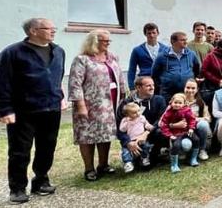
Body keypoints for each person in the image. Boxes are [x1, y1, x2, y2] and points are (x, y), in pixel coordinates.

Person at [0, 18, 65, 204]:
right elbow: (2, 82)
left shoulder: (58, 51)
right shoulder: (12, 53)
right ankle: (17, 188)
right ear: (33, 31)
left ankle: (41, 181)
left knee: (47, 148)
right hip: (23, 111)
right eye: (48, 28)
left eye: (54, 28)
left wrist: (60, 97)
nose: (53, 31)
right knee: (20, 151)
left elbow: (58, 77)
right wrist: (5, 110)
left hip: (51, 108)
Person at [68, 29, 126, 182]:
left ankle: (103, 164)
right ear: (94, 41)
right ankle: (89, 168)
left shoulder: (112, 57)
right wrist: (80, 105)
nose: (108, 43)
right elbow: (75, 84)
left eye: (108, 40)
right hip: (90, 103)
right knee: (87, 136)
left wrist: (123, 96)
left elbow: (120, 77)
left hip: (110, 102)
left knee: (105, 134)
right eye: (104, 40)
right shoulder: (82, 59)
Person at [115, 76, 167, 172]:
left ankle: (154, 155)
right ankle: (131, 158)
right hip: (132, 137)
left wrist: (146, 133)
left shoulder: (159, 100)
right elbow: (119, 128)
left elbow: (161, 120)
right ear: (138, 87)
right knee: (133, 156)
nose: (152, 88)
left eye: (153, 85)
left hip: (151, 134)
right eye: (148, 86)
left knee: (161, 132)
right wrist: (128, 142)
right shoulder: (126, 103)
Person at [151, 32, 201, 101]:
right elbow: (154, 74)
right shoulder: (162, 56)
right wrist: (162, 85)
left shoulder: (191, 54)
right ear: (173, 41)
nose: (186, 42)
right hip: (167, 93)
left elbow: (197, 69)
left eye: (186, 40)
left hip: (186, 92)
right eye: (182, 40)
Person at [159, 93, 199, 173]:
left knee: (196, 139)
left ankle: (193, 159)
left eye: (180, 103)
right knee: (176, 145)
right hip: (176, 134)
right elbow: (164, 125)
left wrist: (191, 128)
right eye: (175, 102)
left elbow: (192, 119)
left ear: (184, 104)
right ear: (171, 102)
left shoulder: (187, 110)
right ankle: (174, 165)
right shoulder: (168, 113)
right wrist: (169, 135)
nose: (177, 105)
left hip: (186, 131)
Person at [127, 22, 169, 90]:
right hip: (145, 84)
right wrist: (131, 87)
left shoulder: (166, 49)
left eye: (154, 33)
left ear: (158, 33)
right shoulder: (137, 50)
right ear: (145, 34)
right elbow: (132, 70)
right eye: (149, 33)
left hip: (162, 83)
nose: (151, 35)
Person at [118, 102, 154, 170]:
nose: (137, 113)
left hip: (141, 138)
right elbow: (122, 130)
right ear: (127, 114)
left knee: (145, 147)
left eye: (138, 111)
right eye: (134, 113)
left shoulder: (141, 118)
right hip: (131, 139)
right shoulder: (125, 120)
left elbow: (146, 123)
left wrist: (149, 126)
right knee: (126, 151)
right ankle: (128, 163)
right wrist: (126, 122)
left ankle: (144, 158)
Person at [183, 79, 211, 161]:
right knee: (186, 146)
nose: (190, 90)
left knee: (204, 124)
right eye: (188, 87)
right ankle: (184, 151)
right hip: (183, 131)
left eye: (193, 88)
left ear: (197, 89)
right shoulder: (179, 101)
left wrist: (195, 120)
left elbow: (208, 118)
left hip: (198, 131)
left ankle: (202, 150)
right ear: (184, 88)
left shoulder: (200, 102)